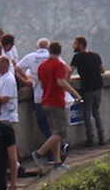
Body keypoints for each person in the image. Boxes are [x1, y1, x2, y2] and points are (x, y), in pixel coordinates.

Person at [34, 40, 83, 170]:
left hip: (44, 101)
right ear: (60, 52)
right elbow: (61, 82)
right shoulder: (58, 65)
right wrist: (76, 94)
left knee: (54, 132)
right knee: (61, 132)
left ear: (49, 51)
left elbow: (42, 84)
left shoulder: (42, 65)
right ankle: (39, 153)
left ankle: (57, 162)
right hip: (56, 102)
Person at [70, 35, 106, 146]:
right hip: (98, 87)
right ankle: (102, 138)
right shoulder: (95, 55)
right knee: (96, 112)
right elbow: (102, 70)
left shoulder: (77, 57)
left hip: (87, 88)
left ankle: (90, 139)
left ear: (80, 45)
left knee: (87, 113)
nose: (73, 45)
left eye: (75, 43)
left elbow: (69, 71)